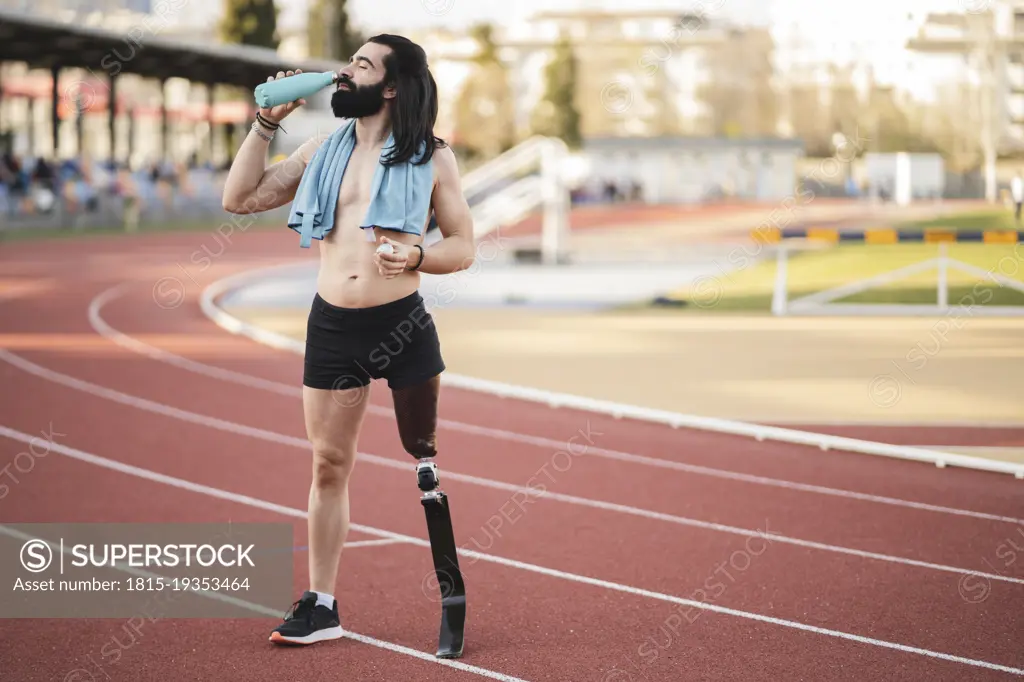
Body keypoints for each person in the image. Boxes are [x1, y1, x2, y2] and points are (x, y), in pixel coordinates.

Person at [222, 34, 476, 646]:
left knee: (424, 462)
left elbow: (463, 247)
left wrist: (418, 252)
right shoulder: (321, 148)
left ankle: (451, 589)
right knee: (329, 463)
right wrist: (263, 123)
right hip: (334, 325)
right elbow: (240, 198)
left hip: (402, 324)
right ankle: (323, 604)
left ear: (388, 86)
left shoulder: (433, 157)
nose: (344, 71)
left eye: (360, 64)